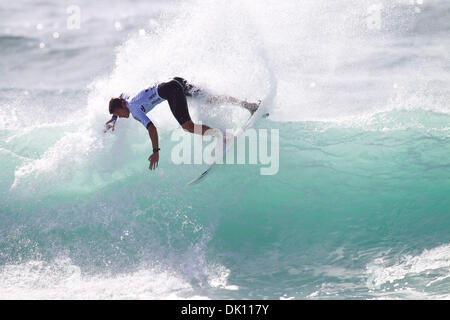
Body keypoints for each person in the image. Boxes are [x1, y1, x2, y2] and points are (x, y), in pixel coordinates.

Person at [105, 77, 259, 170]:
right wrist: (113, 120)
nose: (122, 117)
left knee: (188, 126)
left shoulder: (135, 110)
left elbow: (151, 128)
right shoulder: (127, 99)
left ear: (123, 106)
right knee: (209, 99)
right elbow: (120, 95)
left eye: (118, 114)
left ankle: (223, 136)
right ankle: (248, 105)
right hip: (176, 81)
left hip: (171, 91)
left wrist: (156, 151)